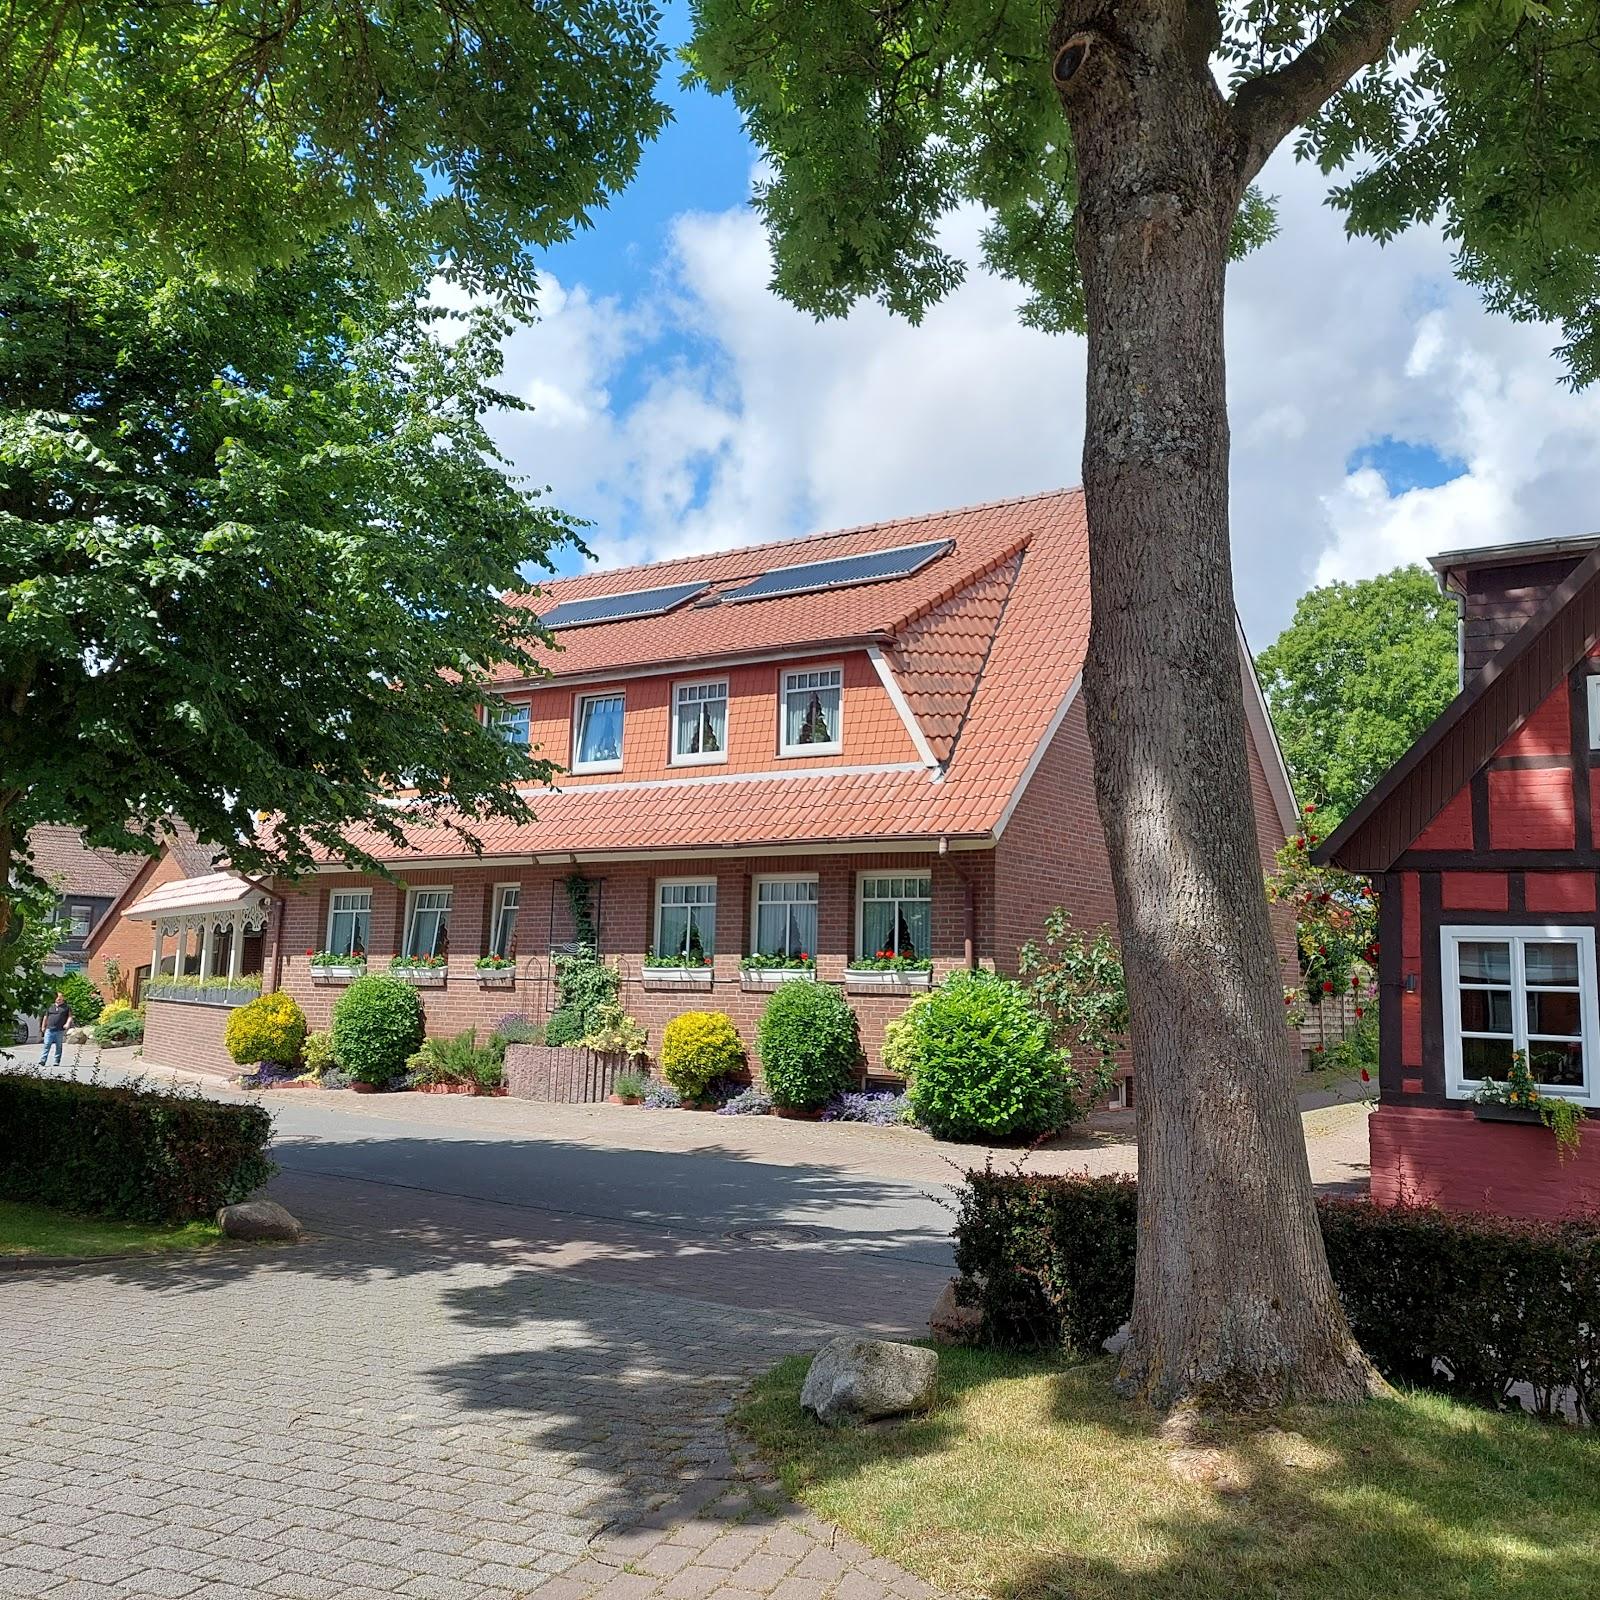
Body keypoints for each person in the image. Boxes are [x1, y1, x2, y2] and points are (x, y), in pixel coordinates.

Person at [38, 990, 72, 1069]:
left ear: (63, 998)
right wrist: (43, 1027)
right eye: (57, 997)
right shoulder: (50, 1006)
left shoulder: (66, 1007)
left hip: (59, 1030)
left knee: (58, 1046)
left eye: (60, 997)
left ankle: (56, 1061)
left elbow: (70, 1017)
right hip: (49, 1029)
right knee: (47, 1045)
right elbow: (45, 1017)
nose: (58, 998)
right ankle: (43, 1060)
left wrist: (67, 1023)